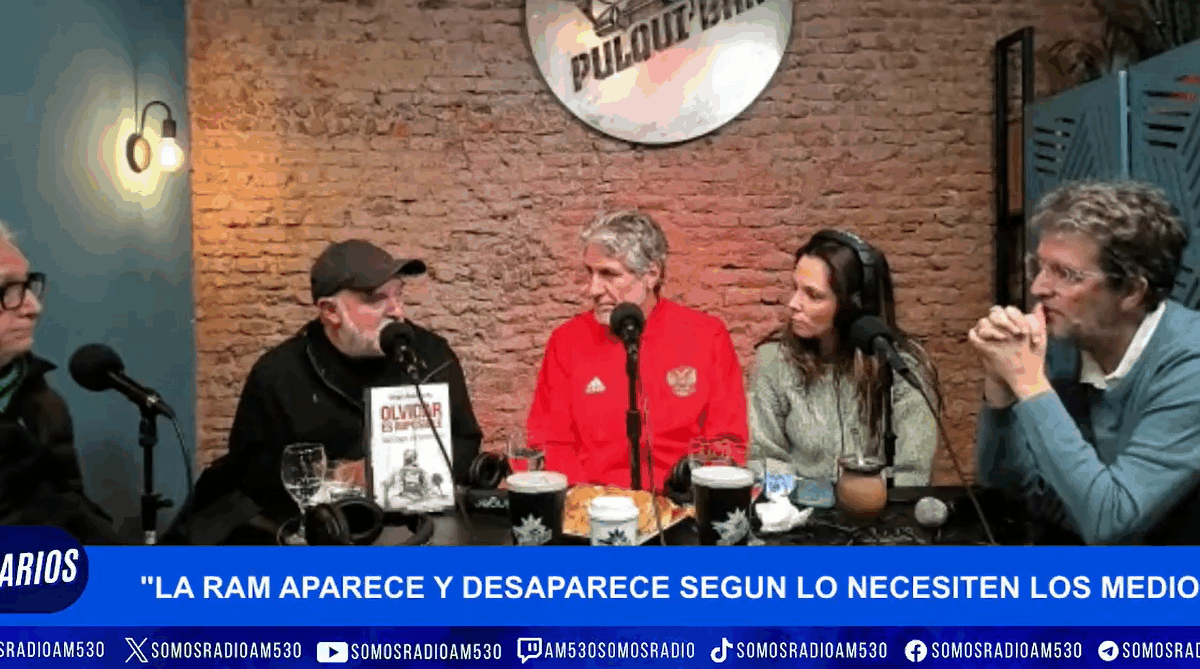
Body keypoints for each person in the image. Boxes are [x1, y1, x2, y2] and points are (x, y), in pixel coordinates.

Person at [186, 240, 482, 541]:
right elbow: (252, 475)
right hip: (321, 540)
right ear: (330, 311)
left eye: (398, 294)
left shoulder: (432, 357)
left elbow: (466, 440)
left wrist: (387, 471)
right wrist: (337, 476)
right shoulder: (278, 373)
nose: (397, 311)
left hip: (418, 530)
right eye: (375, 299)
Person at [971, 180, 1200, 544]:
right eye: (1039, 266)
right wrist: (1001, 391)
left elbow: (1113, 523)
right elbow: (1011, 489)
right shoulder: (1068, 341)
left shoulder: (1190, 365)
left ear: (1132, 291)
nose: (1038, 288)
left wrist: (1029, 382)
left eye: (1065, 274)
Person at [525, 210, 747, 489]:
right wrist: (587, 502)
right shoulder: (566, 341)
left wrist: (687, 495)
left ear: (651, 274)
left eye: (609, 274)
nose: (593, 289)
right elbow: (550, 442)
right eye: (590, 273)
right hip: (592, 504)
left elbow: (727, 442)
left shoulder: (707, 336)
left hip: (681, 504)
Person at [748, 229, 940, 487]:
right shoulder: (773, 362)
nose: (793, 303)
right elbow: (763, 460)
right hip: (796, 508)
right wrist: (806, 498)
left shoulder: (903, 368)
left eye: (813, 295)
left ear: (854, 307)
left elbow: (914, 474)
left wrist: (861, 497)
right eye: (795, 288)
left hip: (882, 509)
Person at [0, 220, 121, 543]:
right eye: (8, 289)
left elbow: (71, 510)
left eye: (28, 286)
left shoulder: (44, 404)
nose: (33, 307)